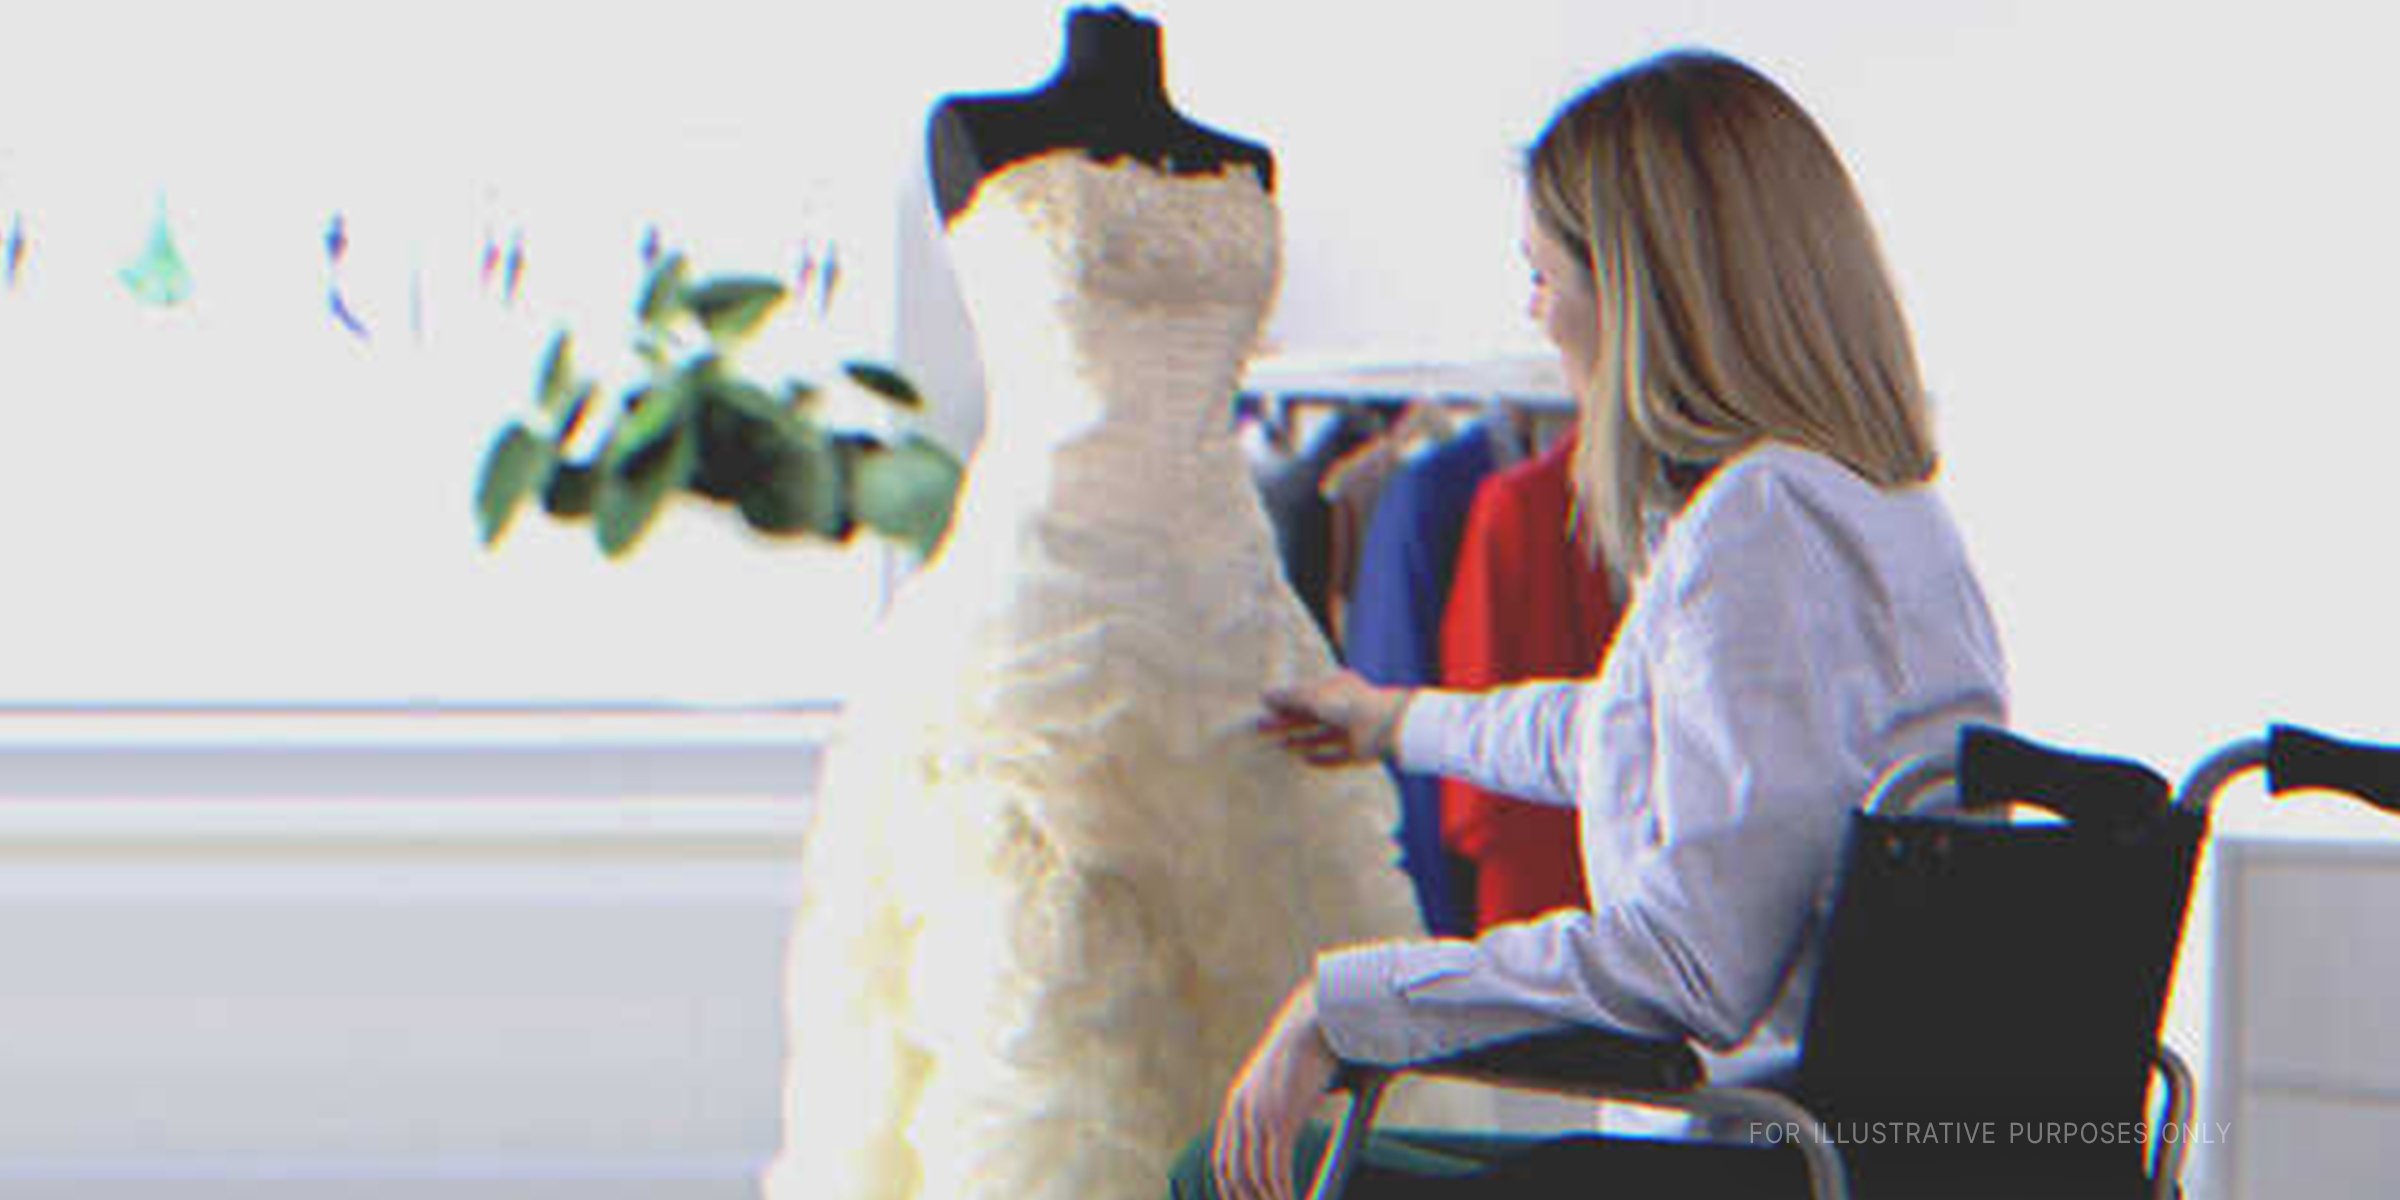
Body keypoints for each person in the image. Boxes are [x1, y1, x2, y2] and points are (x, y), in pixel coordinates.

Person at [1177, 48, 2009, 1200]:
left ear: (1636, 294)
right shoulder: (1889, 514)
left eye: (1540, 273)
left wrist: (1348, 1002)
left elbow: (1688, 964)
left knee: (1211, 1176)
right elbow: (1635, 739)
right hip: (1903, 1153)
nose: (1533, 314)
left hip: (1772, 1154)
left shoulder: (1757, 527)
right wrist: (1398, 721)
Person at [765, 10, 1453, 1200]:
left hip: (1227, 617)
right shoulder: (973, 133)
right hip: (1040, 612)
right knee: (1043, 995)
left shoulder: (1249, 158)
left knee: (1273, 980)